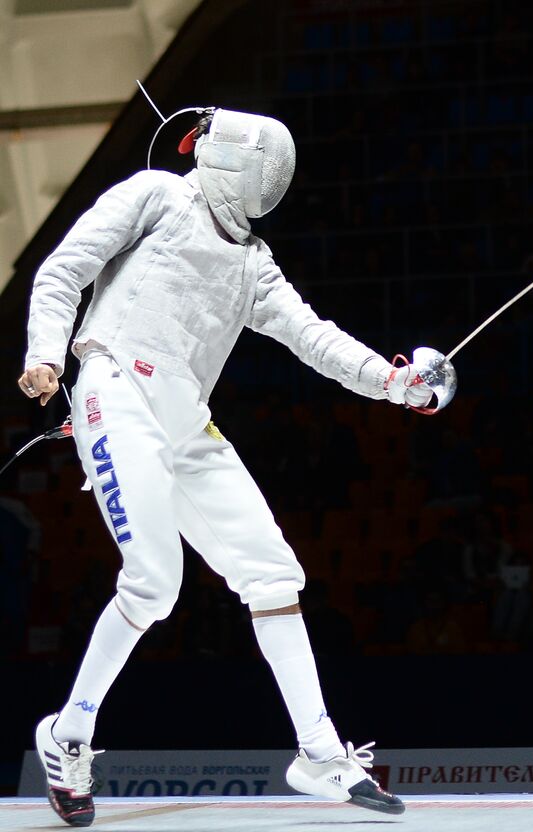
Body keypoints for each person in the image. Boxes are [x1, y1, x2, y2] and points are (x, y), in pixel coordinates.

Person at [19, 107, 446, 826]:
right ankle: (69, 735)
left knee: (274, 575)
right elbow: (66, 269)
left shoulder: (254, 264)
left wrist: (393, 382)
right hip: (115, 388)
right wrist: (43, 352)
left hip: (185, 420)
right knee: (154, 583)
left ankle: (317, 751)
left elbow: (314, 337)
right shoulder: (156, 194)